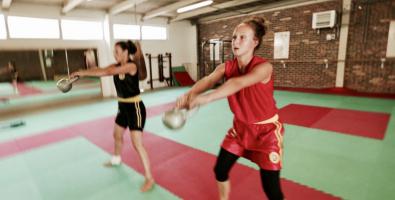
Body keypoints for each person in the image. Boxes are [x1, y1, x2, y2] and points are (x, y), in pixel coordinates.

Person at [176, 17, 284, 200]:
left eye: (243, 37)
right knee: (220, 169)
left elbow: (238, 83)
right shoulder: (227, 66)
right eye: (234, 37)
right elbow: (209, 79)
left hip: (266, 133)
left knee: (271, 189)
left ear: (255, 42)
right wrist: (189, 95)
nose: (236, 41)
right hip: (240, 129)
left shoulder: (264, 67)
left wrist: (205, 99)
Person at [71, 40, 155, 192]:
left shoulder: (132, 65)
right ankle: (116, 159)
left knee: (137, 144)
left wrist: (83, 72)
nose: (114, 55)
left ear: (125, 52)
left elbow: (108, 72)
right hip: (122, 107)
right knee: (117, 135)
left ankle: (149, 178)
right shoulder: (115, 66)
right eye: (113, 52)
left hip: (135, 107)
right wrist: (81, 72)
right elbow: (102, 70)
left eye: (117, 52)